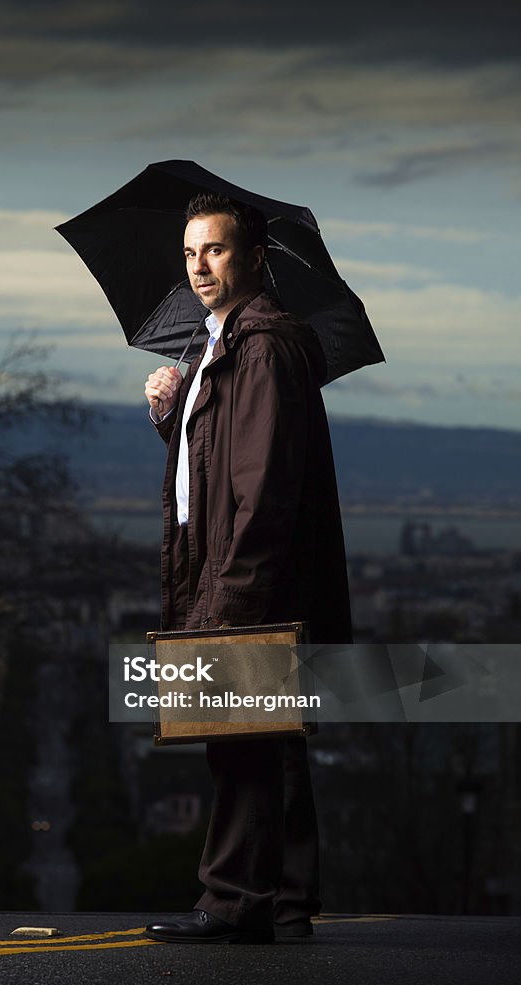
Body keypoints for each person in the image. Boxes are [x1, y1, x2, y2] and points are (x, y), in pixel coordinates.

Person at [143, 193, 352, 944]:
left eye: (217, 250)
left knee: (238, 737)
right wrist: (173, 412)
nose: (200, 266)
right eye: (191, 251)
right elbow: (214, 461)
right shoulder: (219, 344)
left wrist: (232, 596)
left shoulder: (261, 344)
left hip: (244, 573)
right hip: (239, 568)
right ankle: (285, 901)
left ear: (255, 257)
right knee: (269, 736)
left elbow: (260, 484)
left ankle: (230, 899)